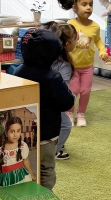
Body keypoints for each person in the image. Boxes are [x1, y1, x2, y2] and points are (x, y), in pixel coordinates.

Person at [14, 28, 75, 190]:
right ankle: (45, 194)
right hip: (46, 135)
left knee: (23, 166)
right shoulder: (52, 77)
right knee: (46, 169)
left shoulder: (18, 71)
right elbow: (67, 102)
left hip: (23, 134)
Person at [50, 0, 108, 127]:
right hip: (72, 66)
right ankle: (70, 112)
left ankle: (81, 114)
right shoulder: (70, 25)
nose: (88, 7)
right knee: (73, 90)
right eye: (84, 4)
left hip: (88, 66)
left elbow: (98, 41)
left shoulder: (95, 26)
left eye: (90, 4)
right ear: (74, 8)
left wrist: (102, 51)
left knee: (86, 91)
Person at [40, 21, 77, 160]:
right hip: (53, 101)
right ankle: (56, 150)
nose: (76, 42)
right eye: (75, 39)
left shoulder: (48, 58)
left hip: (42, 98)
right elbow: (63, 88)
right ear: (67, 44)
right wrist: (69, 98)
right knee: (66, 125)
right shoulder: (64, 65)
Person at [0, 117, 36, 194]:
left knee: (22, 194)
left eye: (18, 131)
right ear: (6, 133)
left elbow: (26, 162)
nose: (15, 135)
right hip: (6, 180)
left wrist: (32, 175)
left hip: (21, 177)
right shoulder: (0, 151)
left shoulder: (22, 146)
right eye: (12, 132)